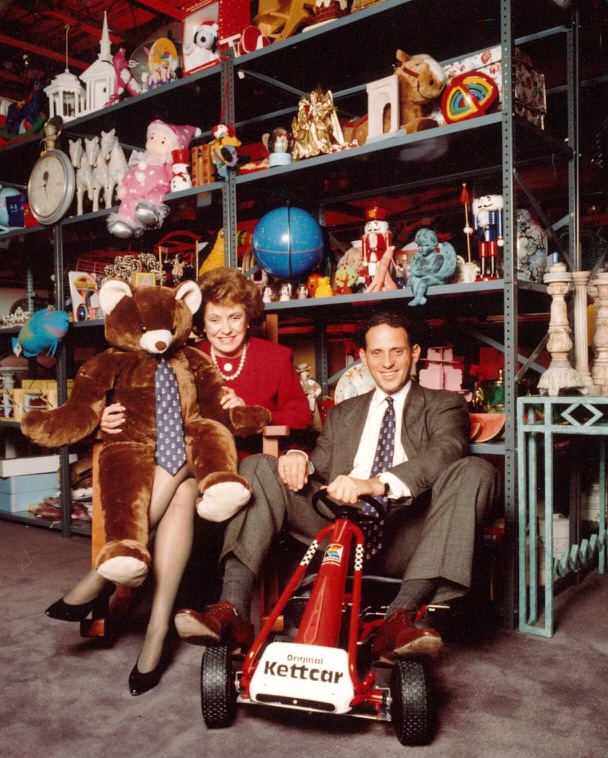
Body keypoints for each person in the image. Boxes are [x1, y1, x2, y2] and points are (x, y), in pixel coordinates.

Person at [174, 310, 500, 661]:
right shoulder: (345, 412)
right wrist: (298, 456)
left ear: (415, 353)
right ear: (363, 357)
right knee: (257, 466)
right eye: (377, 353)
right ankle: (233, 609)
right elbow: (322, 460)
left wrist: (375, 484)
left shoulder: (443, 404)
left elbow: (445, 450)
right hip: (337, 528)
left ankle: (399, 618)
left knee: (474, 470)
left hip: (409, 533)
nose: (387, 363)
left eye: (397, 352)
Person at [46, 267, 311, 695]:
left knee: (192, 453)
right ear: (199, 320)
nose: (225, 329)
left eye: (235, 318)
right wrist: (105, 417)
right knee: (183, 488)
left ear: (249, 318)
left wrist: (251, 408)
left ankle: (102, 579)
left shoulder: (272, 358)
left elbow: (301, 416)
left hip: (238, 469)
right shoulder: (180, 352)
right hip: (179, 469)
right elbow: (136, 400)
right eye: (215, 319)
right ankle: (157, 628)